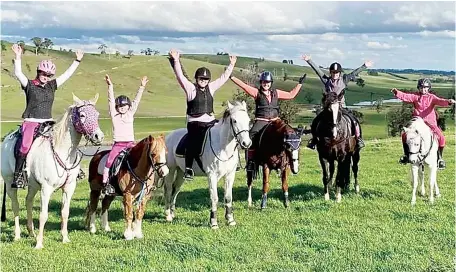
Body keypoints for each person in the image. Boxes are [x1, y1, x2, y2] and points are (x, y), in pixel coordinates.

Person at [11, 43, 84, 189]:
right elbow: (18, 74)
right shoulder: (29, 85)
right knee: (25, 146)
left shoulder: (51, 86)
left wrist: (77, 61)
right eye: (44, 74)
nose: (46, 77)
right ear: (38, 72)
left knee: (64, 141)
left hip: (48, 123)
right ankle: (18, 174)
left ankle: (74, 168)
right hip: (31, 121)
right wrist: (18, 57)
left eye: (49, 75)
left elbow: (66, 75)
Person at [168, 49, 236, 180]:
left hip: (210, 121)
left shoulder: (211, 88)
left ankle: (231, 162)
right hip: (195, 122)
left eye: (206, 79)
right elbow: (180, 76)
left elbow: (223, 78)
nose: (203, 81)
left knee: (227, 131)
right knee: (193, 141)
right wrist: (176, 60)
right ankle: (188, 168)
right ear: (197, 79)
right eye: (201, 78)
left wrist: (231, 65)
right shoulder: (190, 89)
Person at [230, 71, 306, 172]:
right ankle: (251, 162)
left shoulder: (276, 92)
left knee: (289, 133)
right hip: (261, 121)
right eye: (264, 82)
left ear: (271, 83)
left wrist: (299, 84)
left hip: (276, 120)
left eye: (268, 82)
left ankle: (289, 160)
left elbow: (291, 95)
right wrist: (232, 77)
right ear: (261, 83)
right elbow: (244, 86)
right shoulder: (256, 92)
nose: (266, 84)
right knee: (251, 136)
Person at [301, 54, 373, 150]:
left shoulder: (344, 79)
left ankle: (358, 139)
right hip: (329, 108)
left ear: (339, 73)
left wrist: (364, 66)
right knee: (316, 121)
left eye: (337, 72)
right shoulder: (326, 80)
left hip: (341, 106)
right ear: (330, 72)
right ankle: (314, 140)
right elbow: (318, 71)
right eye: (333, 72)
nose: (335, 74)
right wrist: (309, 60)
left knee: (354, 121)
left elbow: (354, 73)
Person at [391, 78, 455, 169]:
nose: (423, 89)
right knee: (405, 135)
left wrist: (448, 102)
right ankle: (406, 156)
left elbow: (440, 101)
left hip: (430, 122)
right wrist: (397, 92)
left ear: (428, 88)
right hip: (417, 121)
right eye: (421, 87)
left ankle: (440, 158)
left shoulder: (432, 97)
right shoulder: (415, 96)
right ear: (418, 88)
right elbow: (406, 96)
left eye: (425, 87)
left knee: (441, 138)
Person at [102, 74, 149, 195]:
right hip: (118, 145)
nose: (122, 108)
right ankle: (106, 184)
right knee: (109, 162)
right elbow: (110, 100)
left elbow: (136, 101)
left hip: (130, 144)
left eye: (125, 106)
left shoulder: (130, 113)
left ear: (129, 106)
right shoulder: (114, 115)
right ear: (117, 107)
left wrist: (142, 87)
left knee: (142, 160)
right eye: (120, 106)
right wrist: (110, 86)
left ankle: (146, 182)